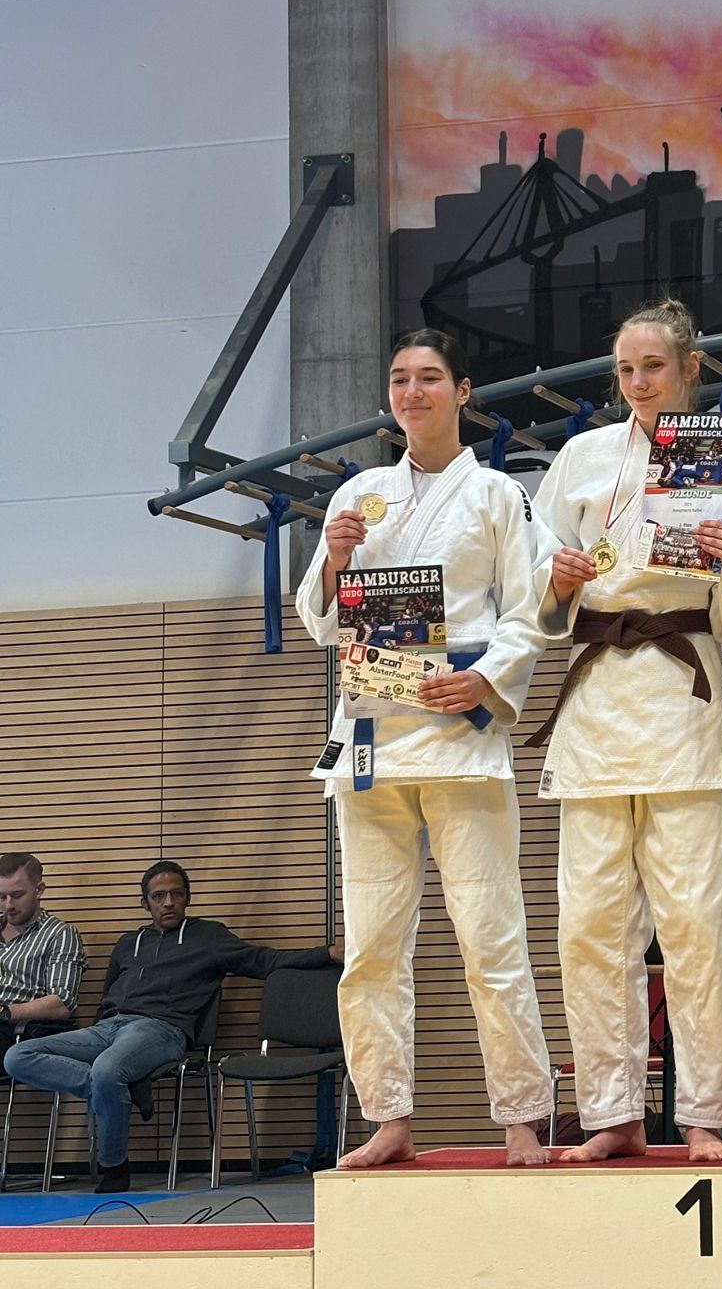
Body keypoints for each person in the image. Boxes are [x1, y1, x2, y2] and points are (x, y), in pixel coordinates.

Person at [298, 328, 557, 1170]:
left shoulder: (499, 495)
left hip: (460, 734)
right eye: (401, 379)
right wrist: (334, 561)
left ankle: (522, 1116)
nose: (415, 392)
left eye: (431, 378)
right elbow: (319, 619)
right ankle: (389, 1117)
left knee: (490, 933)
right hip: (371, 739)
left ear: (463, 391)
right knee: (372, 946)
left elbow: (528, 614)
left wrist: (486, 682)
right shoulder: (362, 494)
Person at [531, 297, 722, 1161]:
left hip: (684, 691)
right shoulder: (582, 457)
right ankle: (613, 1114)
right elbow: (538, 585)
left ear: (690, 368)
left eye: (655, 368)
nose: (638, 383)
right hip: (596, 699)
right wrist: (556, 581)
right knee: (590, 926)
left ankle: (707, 1111)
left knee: (698, 919)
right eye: (627, 370)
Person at [4, 861, 337, 1194]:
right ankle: (115, 1090)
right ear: (145, 903)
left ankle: (115, 1167)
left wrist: (327, 953)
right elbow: (108, 996)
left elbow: (267, 961)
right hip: (109, 1027)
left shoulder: (209, 937)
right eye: (159, 896)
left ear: (187, 898)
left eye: (176, 894)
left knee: (108, 1069)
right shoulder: (128, 943)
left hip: (161, 1029)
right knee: (18, 1056)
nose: (168, 902)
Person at [1, 853, 85, 1054]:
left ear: (39, 890)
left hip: (17, 1030)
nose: (8, 905)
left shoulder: (60, 934)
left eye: (17, 895)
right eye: (1, 897)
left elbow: (62, 1004)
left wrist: (5, 1012)